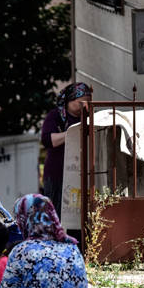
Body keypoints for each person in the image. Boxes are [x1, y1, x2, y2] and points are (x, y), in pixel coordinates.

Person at [40, 82, 92, 218]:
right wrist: (72, 133)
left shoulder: (89, 116)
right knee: (56, 214)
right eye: (81, 102)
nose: (84, 106)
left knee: (79, 214)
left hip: (82, 174)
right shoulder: (56, 116)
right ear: (69, 100)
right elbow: (47, 140)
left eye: (88, 102)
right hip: (57, 174)